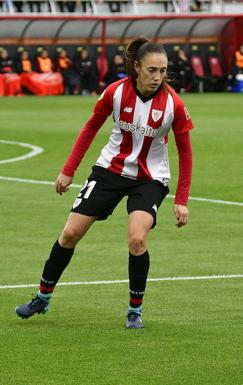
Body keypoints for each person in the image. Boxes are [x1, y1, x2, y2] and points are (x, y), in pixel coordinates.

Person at [15, 37, 194, 329]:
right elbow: (90, 128)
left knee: (137, 238)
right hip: (109, 171)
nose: (158, 77)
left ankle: (134, 310)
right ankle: (42, 297)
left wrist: (182, 199)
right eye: (152, 70)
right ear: (137, 67)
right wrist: (68, 170)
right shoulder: (115, 92)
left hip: (150, 179)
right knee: (71, 233)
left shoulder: (174, 103)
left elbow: (185, 153)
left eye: (163, 71)